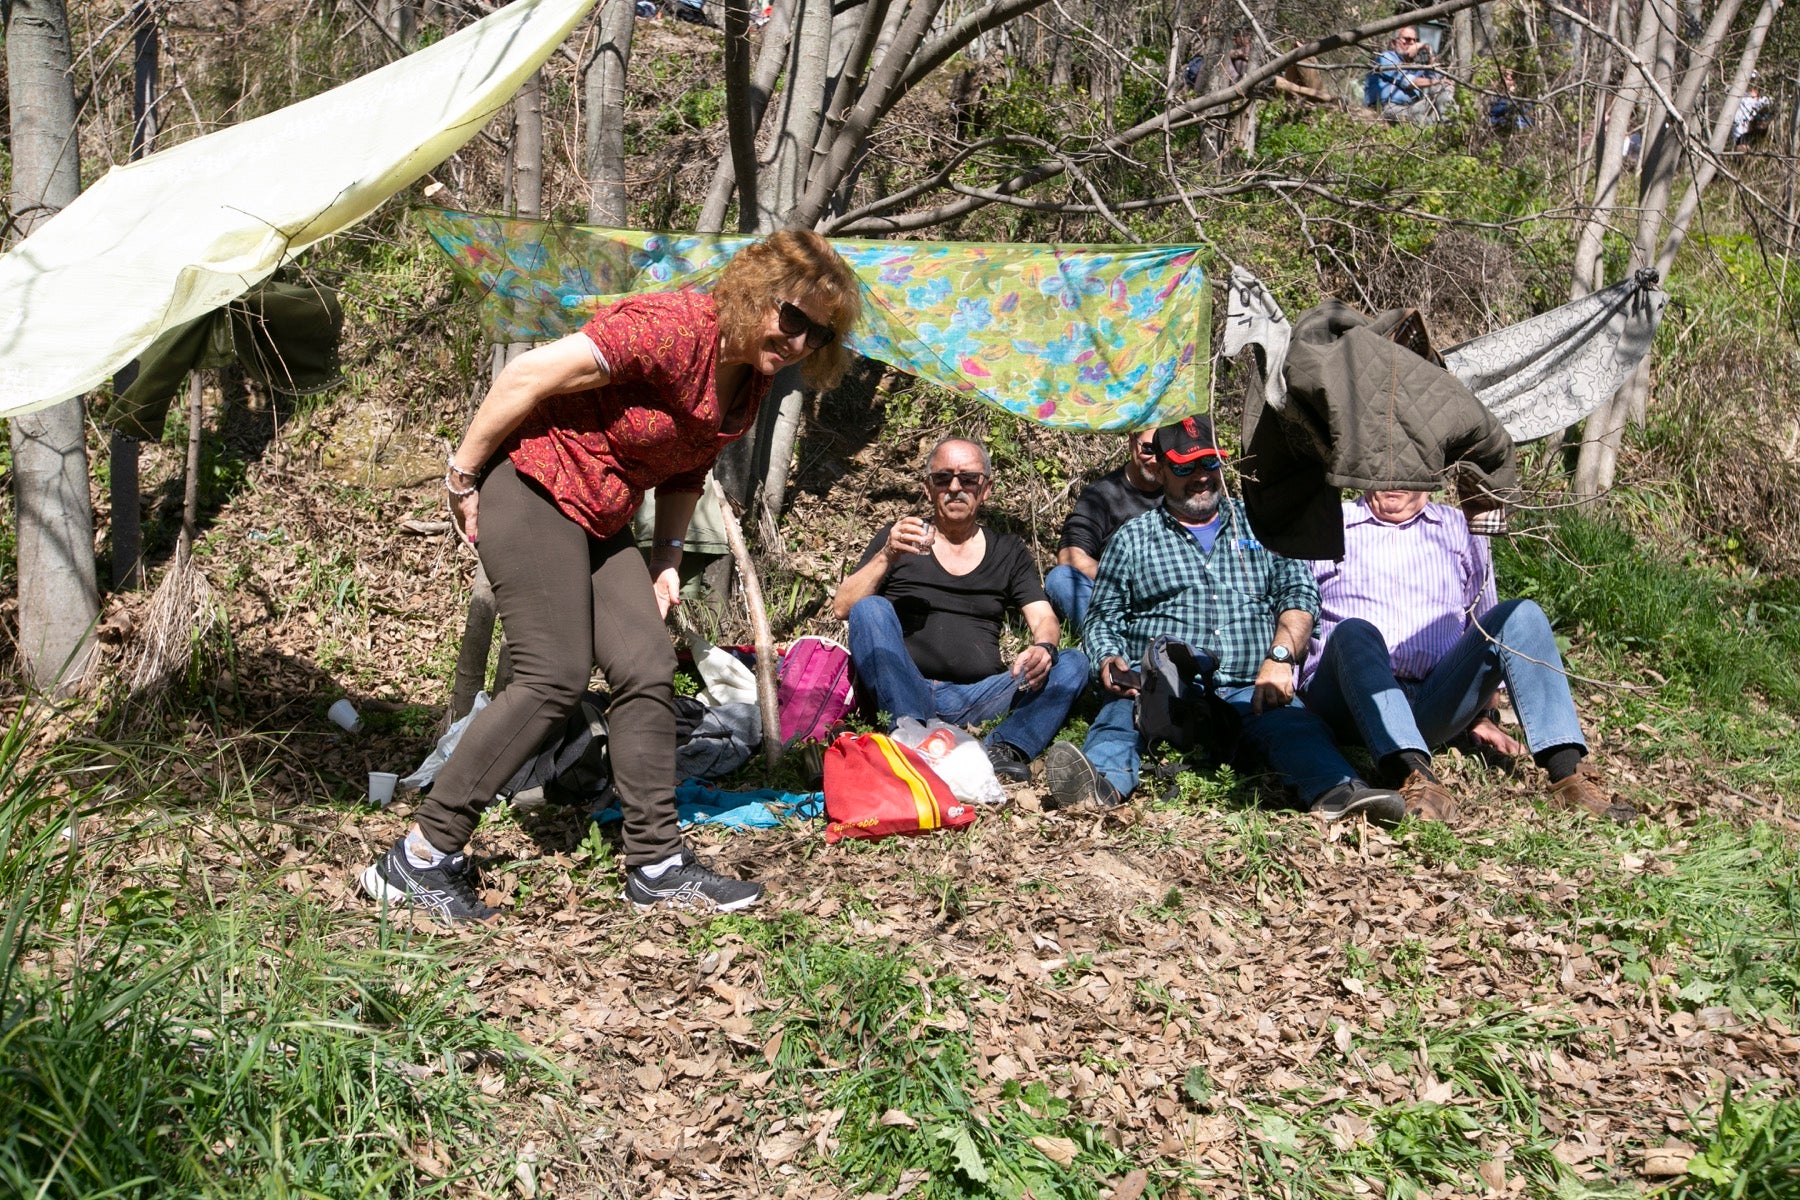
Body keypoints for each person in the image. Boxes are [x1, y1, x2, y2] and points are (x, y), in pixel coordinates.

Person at [361, 230, 862, 924]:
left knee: (647, 664)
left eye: (821, 331)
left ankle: (654, 864)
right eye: (793, 316)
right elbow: (528, 376)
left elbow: (689, 467)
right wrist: (462, 476)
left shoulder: (752, 377)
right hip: (533, 482)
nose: (801, 339)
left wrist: (666, 559)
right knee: (551, 674)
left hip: (602, 514)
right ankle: (416, 857)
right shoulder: (673, 327)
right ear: (755, 294)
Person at [1046, 416, 1406, 821]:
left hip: (1249, 684)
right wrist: (1109, 659)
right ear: (1160, 469)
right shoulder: (1132, 537)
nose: (1200, 477)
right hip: (1162, 690)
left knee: (1295, 727)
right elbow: (1103, 616)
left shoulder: (1261, 524)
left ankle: (1341, 792)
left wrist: (1282, 657)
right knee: (1119, 719)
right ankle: (1098, 786)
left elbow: (1300, 593)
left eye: (1209, 463)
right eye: (1184, 467)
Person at [1299, 490, 1635, 823]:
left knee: (1521, 614)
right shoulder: (1331, 522)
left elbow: (1485, 624)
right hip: (1347, 700)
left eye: (1407, 469)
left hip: (1431, 698)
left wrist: (1483, 713)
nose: (1393, 479)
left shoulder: (1458, 526)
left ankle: (1568, 776)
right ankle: (1413, 775)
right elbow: (1294, 602)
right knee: (1356, 631)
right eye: (1381, 467)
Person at [832, 437, 1090, 784]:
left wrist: (1043, 647)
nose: (955, 487)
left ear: (985, 489)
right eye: (943, 479)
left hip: (979, 695)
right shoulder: (901, 538)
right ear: (928, 488)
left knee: (1072, 662)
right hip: (904, 687)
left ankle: (1001, 749)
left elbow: (1043, 617)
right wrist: (887, 555)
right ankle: (912, 735)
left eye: (968, 479)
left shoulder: (1008, 550)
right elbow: (844, 607)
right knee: (871, 609)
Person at [1045, 430, 1163, 632]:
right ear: (1131, 441)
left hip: (1169, 599)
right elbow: (1070, 556)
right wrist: (1130, 581)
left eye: (1163, 452)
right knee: (1060, 579)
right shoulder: (1102, 494)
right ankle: (1109, 642)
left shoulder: (1182, 491)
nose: (1155, 460)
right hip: (1117, 597)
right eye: (1149, 449)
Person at [1365, 27, 1450, 124]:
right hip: (1389, 106)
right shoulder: (1386, 58)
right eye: (1407, 39)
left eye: (1415, 40)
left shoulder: (1416, 64)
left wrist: (1430, 52)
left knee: (1443, 87)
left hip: (1412, 106)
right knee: (1424, 121)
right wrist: (1436, 81)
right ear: (1394, 43)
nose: (1412, 43)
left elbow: (1437, 79)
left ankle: (1450, 125)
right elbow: (1407, 81)